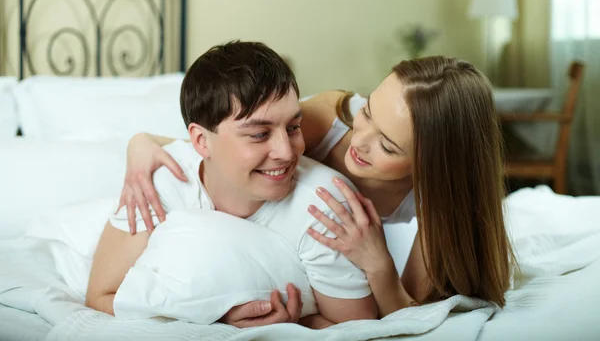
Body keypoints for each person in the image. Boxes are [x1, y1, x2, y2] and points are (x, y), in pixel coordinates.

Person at [122, 55, 515, 324]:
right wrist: (141, 142)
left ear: (431, 167)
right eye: (368, 112)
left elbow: (406, 314)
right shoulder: (327, 122)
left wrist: (377, 263)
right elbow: (227, 147)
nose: (360, 142)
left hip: (341, 269)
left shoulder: (437, 200)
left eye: (388, 147)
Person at [85, 41, 378, 328]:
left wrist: (297, 322)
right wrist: (216, 317)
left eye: (292, 127)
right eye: (259, 134)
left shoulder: (324, 207)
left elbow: (356, 329)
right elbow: (100, 297)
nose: (287, 152)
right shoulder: (157, 183)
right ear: (201, 141)